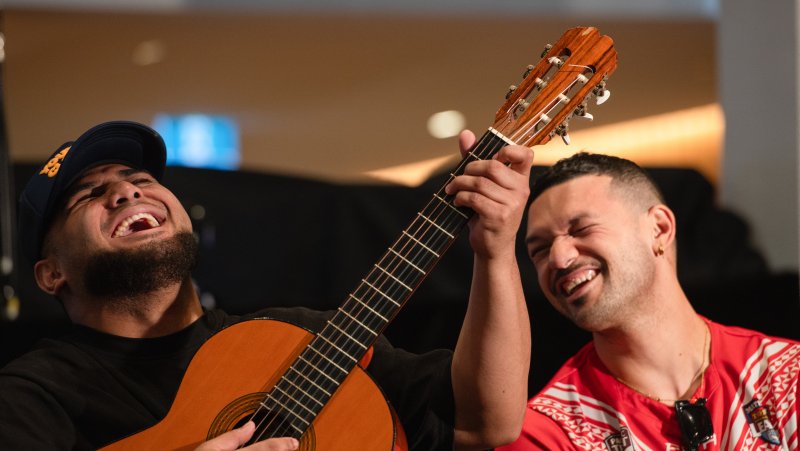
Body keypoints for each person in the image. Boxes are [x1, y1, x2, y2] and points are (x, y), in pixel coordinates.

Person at [0, 120, 532, 450]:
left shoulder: (303, 339)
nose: (126, 193)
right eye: (87, 195)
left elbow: (487, 422)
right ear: (51, 273)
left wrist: (496, 252)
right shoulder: (32, 395)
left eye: (142, 181)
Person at [499, 152, 799, 450]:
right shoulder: (546, 433)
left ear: (659, 229)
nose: (559, 259)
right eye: (540, 249)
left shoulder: (787, 375)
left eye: (581, 229)